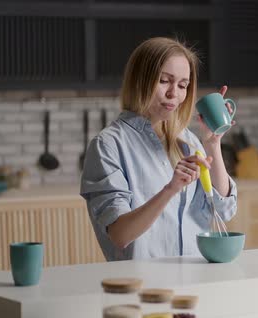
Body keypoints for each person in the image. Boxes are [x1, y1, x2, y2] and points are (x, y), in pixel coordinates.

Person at [80, 37, 237, 261]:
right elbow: (120, 235)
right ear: (139, 80)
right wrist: (170, 189)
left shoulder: (188, 140)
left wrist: (212, 143)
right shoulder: (109, 145)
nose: (174, 93)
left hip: (196, 279)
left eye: (183, 85)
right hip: (144, 286)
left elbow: (224, 211)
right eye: (164, 81)